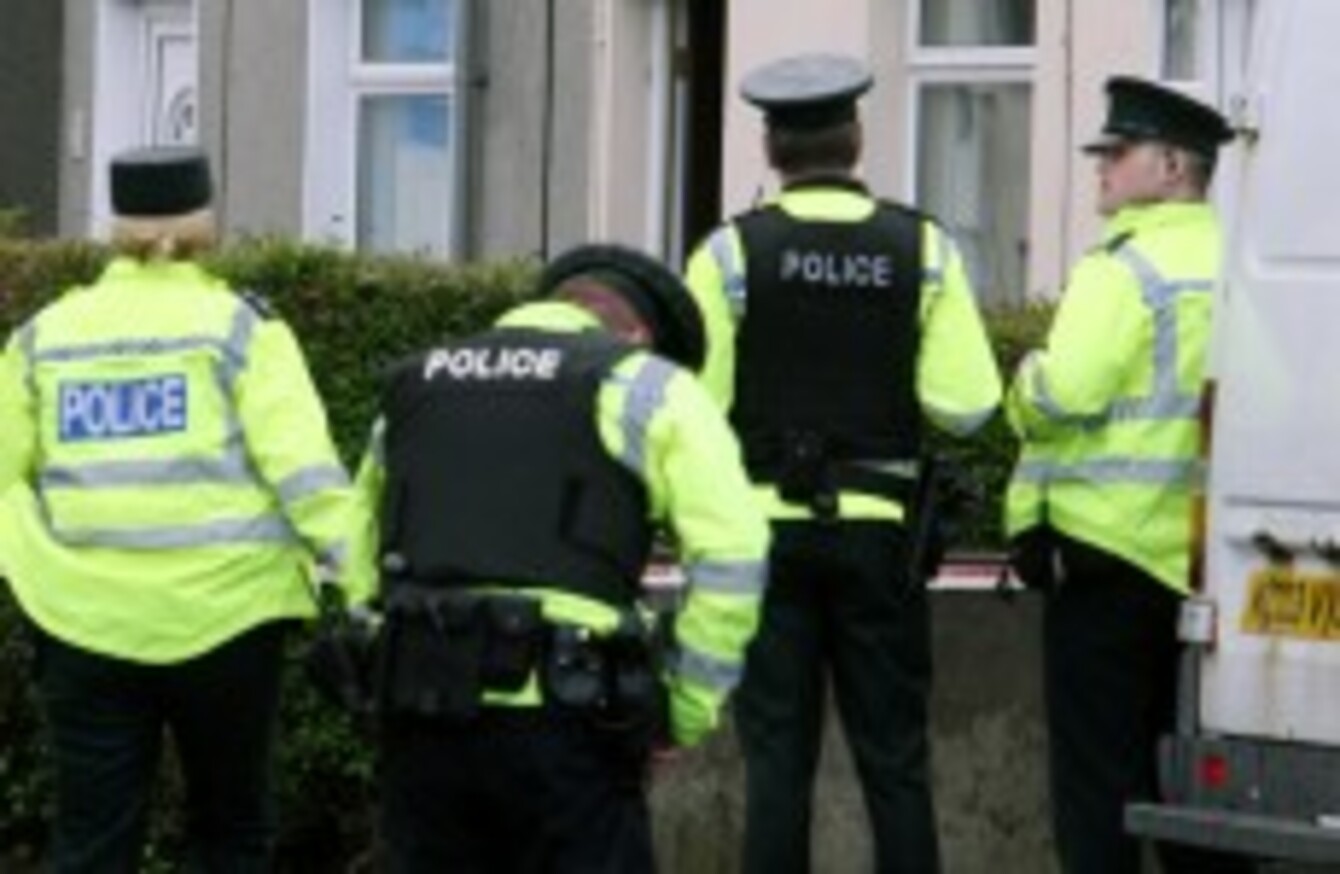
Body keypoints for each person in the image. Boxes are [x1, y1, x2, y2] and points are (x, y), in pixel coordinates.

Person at [340, 243, 770, 873]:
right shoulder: (646, 385)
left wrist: (381, 659)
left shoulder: (417, 383)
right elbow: (734, 555)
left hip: (422, 711)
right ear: (640, 336)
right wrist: (682, 709)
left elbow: (357, 541)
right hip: (569, 722)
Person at [683, 54, 1002, 874]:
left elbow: (694, 410)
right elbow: (967, 405)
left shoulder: (729, 252)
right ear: (856, 139)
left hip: (762, 538)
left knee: (776, 764)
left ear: (770, 147)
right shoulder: (921, 246)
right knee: (895, 763)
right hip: (880, 543)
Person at [0, 146, 352, 871]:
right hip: (231, 621)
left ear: (116, 224)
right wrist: (369, 579)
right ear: (204, 220)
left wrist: (39, 574)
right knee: (229, 831)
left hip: (83, 621)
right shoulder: (241, 329)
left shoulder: (45, 336)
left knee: (92, 841)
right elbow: (307, 478)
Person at [1004, 77, 1253, 873]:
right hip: (1206, 570)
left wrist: (1023, 383)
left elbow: (1067, 391)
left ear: (1174, 166)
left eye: (1119, 151)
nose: (1101, 166)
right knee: (1195, 796)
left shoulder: (1120, 265)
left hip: (1105, 557)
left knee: (1096, 794)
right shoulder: (1240, 262)